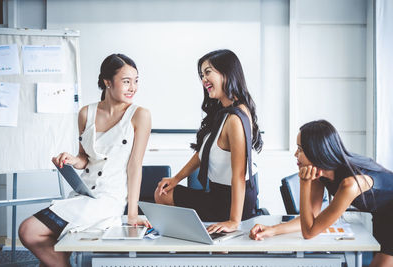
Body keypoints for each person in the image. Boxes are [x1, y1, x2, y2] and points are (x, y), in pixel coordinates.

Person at [18, 54, 152, 266]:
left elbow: (135, 166)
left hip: (109, 200)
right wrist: (71, 160)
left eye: (136, 81)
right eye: (126, 81)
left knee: (29, 230)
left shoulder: (140, 115)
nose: (133, 87)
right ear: (107, 82)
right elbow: (85, 159)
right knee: (39, 238)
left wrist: (132, 214)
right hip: (83, 193)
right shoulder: (86, 113)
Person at [250, 119, 393, 267]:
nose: (295, 154)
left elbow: (309, 232)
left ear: (316, 151)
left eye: (300, 149)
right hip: (382, 212)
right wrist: (272, 230)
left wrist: (304, 183)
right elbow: (309, 220)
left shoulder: (349, 184)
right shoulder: (322, 175)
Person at [155, 49, 263, 234]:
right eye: (201, 74)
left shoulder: (235, 119)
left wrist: (233, 221)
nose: (203, 79)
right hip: (216, 193)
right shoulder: (223, 112)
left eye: (208, 72)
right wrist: (176, 179)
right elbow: (203, 153)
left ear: (227, 73)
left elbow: (239, 174)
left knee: (162, 196)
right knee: (163, 191)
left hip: (231, 201)